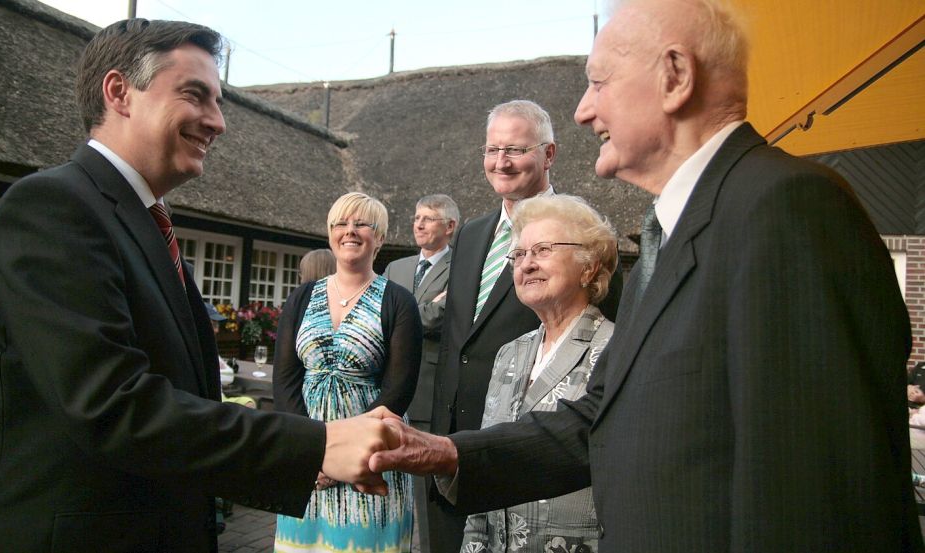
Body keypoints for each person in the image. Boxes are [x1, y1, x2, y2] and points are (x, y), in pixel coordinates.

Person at [370, 0, 921, 551]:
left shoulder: (789, 209)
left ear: (675, 77)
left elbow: (818, 491)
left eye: (597, 83)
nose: (584, 111)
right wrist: (448, 453)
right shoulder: (667, 235)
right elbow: (598, 421)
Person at [0, 19, 393, 552]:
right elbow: (114, 404)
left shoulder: (141, 220)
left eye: (219, 101)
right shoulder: (52, 208)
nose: (218, 122)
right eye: (196, 96)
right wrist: (315, 445)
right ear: (119, 92)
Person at [425, 99, 622, 553]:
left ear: (549, 155)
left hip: (542, 465)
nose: (501, 162)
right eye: (492, 150)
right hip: (452, 449)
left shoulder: (586, 236)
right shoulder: (472, 234)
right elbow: (460, 340)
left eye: (514, 149)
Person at [461, 194, 616, 553]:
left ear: (589, 265)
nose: (526, 264)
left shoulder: (616, 348)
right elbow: (484, 464)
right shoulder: (509, 354)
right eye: (519, 254)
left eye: (542, 250)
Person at [273, 192, 422, 553]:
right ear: (330, 234)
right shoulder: (302, 297)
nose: (350, 231)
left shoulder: (398, 301)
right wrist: (311, 452)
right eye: (341, 223)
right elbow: (286, 378)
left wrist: (351, 454)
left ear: (380, 238)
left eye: (362, 224)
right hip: (305, 458)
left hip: (370, 459)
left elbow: (398, 390)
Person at [383, 193, 458, 552]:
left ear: (450, 227)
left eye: (428, 218)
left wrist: (406, 314)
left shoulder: (461, 268)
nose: (419, 224)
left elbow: (444, 317)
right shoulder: (395, 268)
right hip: (386, 390)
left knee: (426, 491)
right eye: (416, 217)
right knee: (383, 482)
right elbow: (384, 319)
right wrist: (425, 308)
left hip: (430, 390)